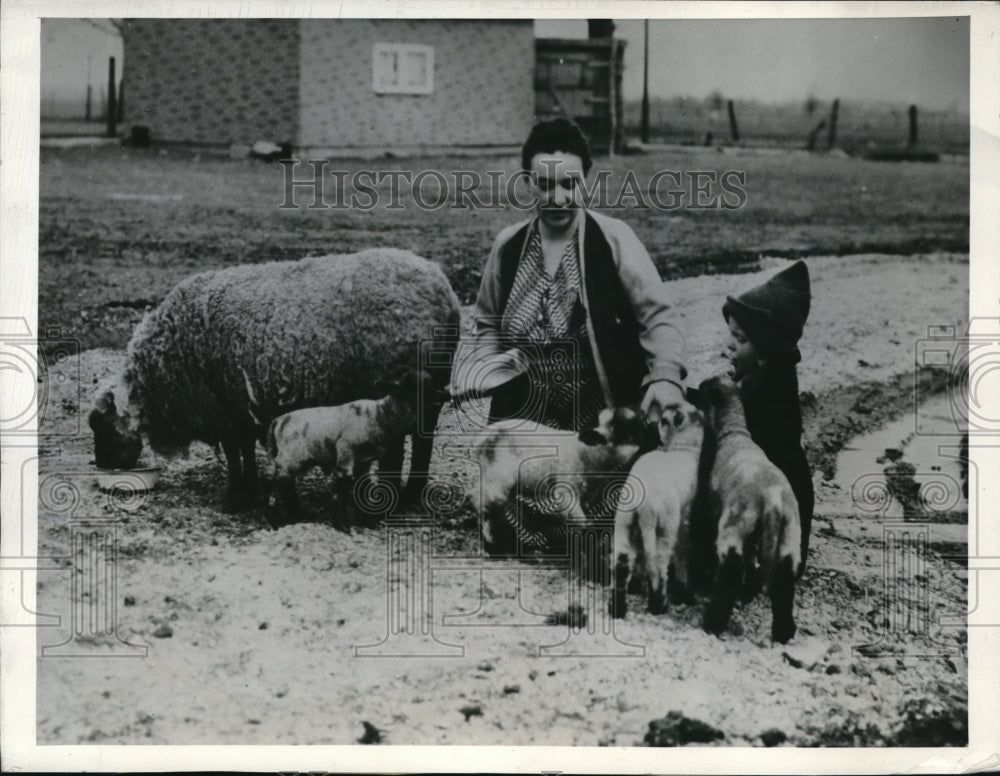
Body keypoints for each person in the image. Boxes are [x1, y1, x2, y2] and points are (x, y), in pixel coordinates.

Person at [451, 118, 687, 433]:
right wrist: (489, 370)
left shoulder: (614, 239)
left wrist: (666, 375)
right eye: (545, 184)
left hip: (603, 422)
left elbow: (658, 317)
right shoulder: (508, 245)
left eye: (569, 183)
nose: (558, 197)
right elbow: (488, 322)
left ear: (585, 181)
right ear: (527, 182)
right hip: (524, 421)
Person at [721, 260, 815, 576]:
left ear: (765, 352)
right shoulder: (764, 375)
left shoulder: (769, 391)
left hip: (780, 498)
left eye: (741, 339)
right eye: (731, 334)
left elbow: (732, 414)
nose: (730, 344)